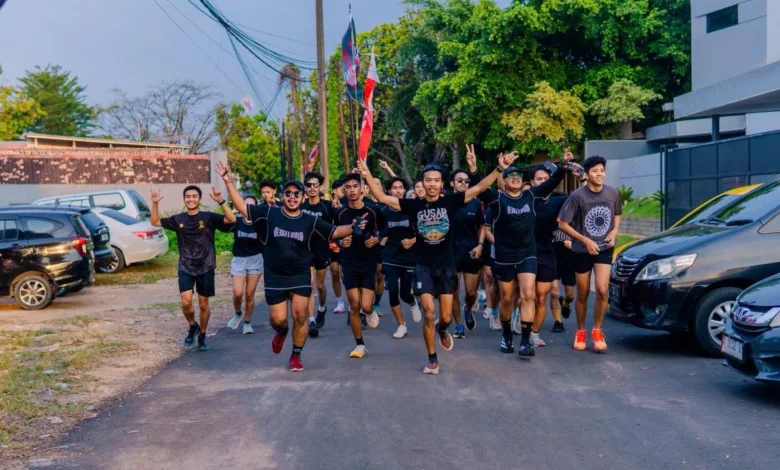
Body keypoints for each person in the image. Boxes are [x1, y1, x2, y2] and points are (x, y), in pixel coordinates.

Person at [359, 151, 517, 375]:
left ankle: (442, 329)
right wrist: (366, 174)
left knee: (445, 318)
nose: (432, 184)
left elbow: (480, 188)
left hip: (446, 266)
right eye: (428, 180)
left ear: (442, 184)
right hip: (423, 266)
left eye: (436, 180)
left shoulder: (451, 201)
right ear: (422, 183)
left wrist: (500, 169)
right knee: (428, 313)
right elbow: (383, 198)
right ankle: (432, 358)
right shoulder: (413, 205)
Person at [217, 161, 364, 372]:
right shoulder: (270, 213)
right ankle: (282, 332)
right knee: (278, 320)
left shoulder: (309, 220)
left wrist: (354, 226)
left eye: (297, 194)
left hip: (300, 274)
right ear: (283, 196)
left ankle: (296, 354)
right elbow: (242, 207)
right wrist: (228, 181)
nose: (292, 197)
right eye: (288, 193)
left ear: (303, 198)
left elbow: (334, 231)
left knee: (300, 316)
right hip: (275, 275)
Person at [479, 151, 572, 358]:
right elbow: (481, 188)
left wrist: (564, 165)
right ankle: (506, 334)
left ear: (523, 181)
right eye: (511, 176)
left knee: (528, 294)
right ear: (504, 181)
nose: (515, 178)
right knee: (506, 298)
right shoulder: (497, 199)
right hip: (504, 255)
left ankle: (524, 342)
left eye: (518, 176)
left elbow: (552, 182)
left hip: (528, 254)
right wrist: (496, 169)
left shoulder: (530, 196)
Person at [150, 185, 236, 351]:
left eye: (194, 196)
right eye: (188, 196)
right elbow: (154, 221)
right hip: (186, 266)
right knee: (186, 302)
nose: (191, 199)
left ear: (200, 199)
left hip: (206, 265)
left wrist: (221, 201)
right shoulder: (178, 219)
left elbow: (231, 219)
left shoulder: (208, 217)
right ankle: (192, 325)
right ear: (184, 199)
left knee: (203, 304)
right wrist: (155, 203)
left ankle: (202, 335)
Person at [558, 156, 621, 352]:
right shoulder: (577, 196)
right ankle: (580, 331)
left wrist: (615, 231)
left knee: (602, 290)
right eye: (595, 171)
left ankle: (597, 330)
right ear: (587, 174)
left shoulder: (612, 193)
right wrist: (585, 240)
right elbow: (562, 224)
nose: (599, 174)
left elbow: (617, 213)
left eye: (602, 170)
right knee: (583, 293)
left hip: (604, 248)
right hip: (581, 250)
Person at [333, 173, 382, 358]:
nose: (352, 190)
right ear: (344, 190)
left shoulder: (373, 210)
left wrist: (376, 239)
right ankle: (359, 344)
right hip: (349, 262)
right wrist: (340, 243)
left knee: (366, 306)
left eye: (355, 186)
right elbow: (332, 234)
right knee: (354, 305)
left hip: (368, 262)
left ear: (362, 188)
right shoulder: (340, 213)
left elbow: (385, 230)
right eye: (348, 187)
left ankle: (370, 312)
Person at [529, 164, 569, 344]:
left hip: (547, 252)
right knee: (527, 296)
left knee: (541, 296)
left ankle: (534, 333)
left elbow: (581, 199)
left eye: (546, 179)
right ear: (532, 182)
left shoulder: (559, 200)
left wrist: (582, 176)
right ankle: (521, 321)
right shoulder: (526, 198)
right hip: (526, 253)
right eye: (539, 179)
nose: (543, 182)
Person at [378, 177, 422, 339]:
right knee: (392, 291)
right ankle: (401, 325)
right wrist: (380, 239)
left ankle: (412, 302)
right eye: (394, 188)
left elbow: (423, 231)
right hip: (389, 256)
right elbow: (381, 232)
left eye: (400, 187)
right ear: (389, 191)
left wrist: (412, 241)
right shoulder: (383, 212)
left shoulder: (411, 210)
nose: (398, 190)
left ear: (404, 190)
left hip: (408, 257)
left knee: (404, 293)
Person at [449, 149, 485, 338]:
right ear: (452, 183)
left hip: (471, 251)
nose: (463, 183)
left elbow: (482, 226)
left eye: (466, 181)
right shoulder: (446, 202)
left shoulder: (476, 203)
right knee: (453, 291)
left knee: (471, 292)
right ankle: (458, 325)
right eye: (459, 180)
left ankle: (468, 307)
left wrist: (480, 245)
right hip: (451, 252)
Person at [226, 194, 265, 335]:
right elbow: (225, 218)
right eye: (245, 204)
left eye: (251, 205)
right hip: (239, 259)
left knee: (249, 294)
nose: (247, 208)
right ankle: (238, 313)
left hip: (255, 259)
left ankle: (247, 322)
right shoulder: (236, 221)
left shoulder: (260, 223)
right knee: (237, 292)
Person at [301, 171, 334, 337]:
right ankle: (312, 320)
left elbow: (335, 226)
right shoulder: (301, 207)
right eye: (309, 185)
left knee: (320, 286)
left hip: (322, 249)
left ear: (320, 187)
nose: (312, 188)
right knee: (309, 285)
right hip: (305, 250)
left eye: (315, 185)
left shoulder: (327, 206)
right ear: (305, 187)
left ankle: (322, 308)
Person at [329, 177, 347, 314]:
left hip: (348, 243)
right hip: (333, 242)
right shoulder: (329, 205)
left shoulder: (349, 203)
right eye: (341, 188)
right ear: (335, 190)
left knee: (345, 275)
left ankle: (352, 300)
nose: (344, 190)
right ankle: (340, 301)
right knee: (335, 272)